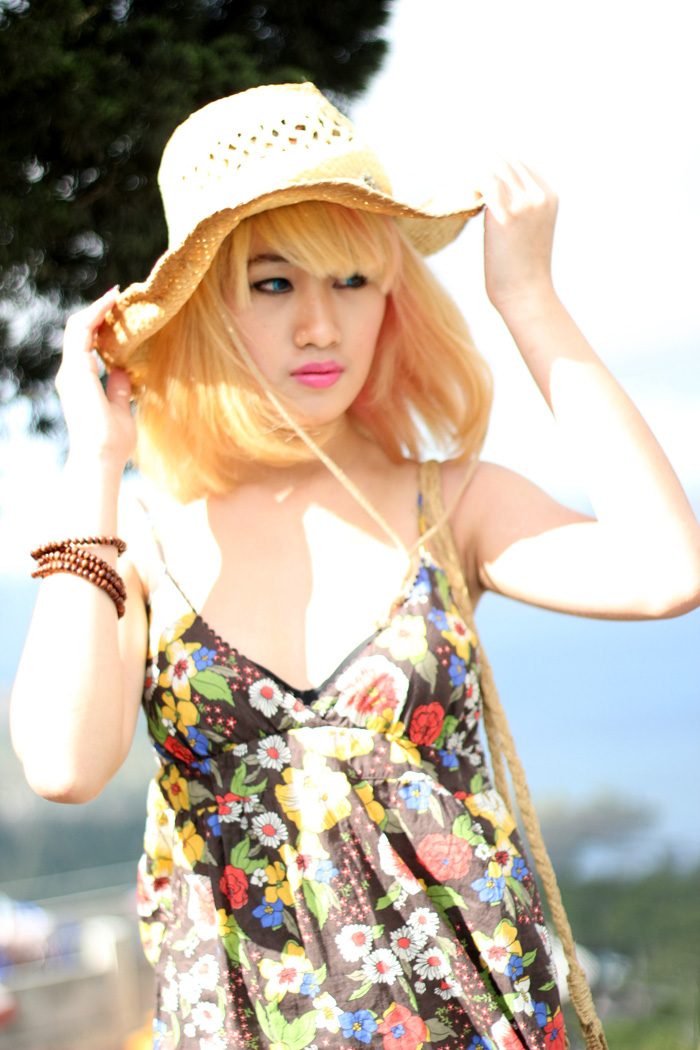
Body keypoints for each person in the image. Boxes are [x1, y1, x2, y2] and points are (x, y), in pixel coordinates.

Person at [10, 83, 700, 1050]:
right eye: (273, 283)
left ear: (392, 296)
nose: (321, 326)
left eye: (352, 281)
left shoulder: (451, 503)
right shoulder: (140, 541)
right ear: (204, 304)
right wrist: (94, 458)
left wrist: (529, 300)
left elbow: (666, 572)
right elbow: (62, 767)